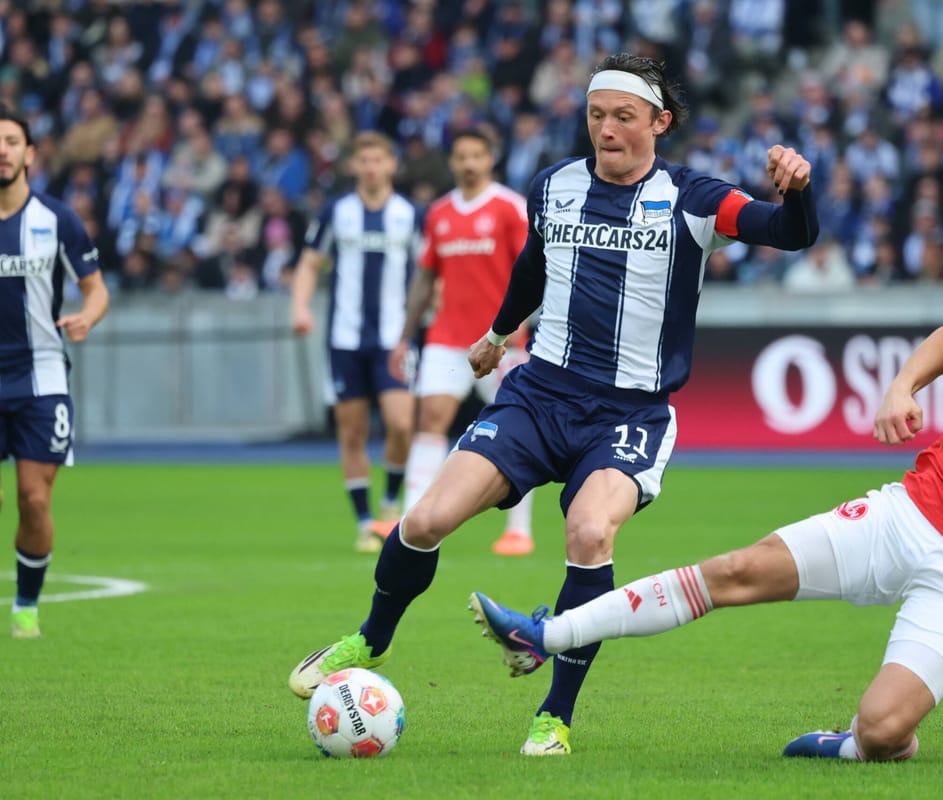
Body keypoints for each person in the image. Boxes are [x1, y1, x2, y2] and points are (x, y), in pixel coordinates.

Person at [468, 222, 943, 762]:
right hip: (907, 513)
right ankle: (545, 633)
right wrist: (902, 387)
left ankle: (857, 744)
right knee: (739, 570)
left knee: (880, 733)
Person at [287, 52, 820, 755]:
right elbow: (535, 267)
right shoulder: (554, 186)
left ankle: (554, 717)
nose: (606, 129)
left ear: (659, 122)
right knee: (425, 518)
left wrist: (797, 191)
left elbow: (790, 233)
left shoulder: (694, 199)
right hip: (538, 395)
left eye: (623, 117)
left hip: (629, 414)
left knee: (591, 535)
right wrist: (498, 333)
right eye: (597, 115)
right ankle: (372, 638)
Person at [389, 128, 537, 557]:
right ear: (452, 162)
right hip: (447, 338)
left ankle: (518, 529)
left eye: (476, 155)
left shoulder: (510, 208)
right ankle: (411, 517)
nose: (469, 163)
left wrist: (516, 330)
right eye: (461, 155)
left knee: (518, 430)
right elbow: (425, 278)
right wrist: (404, 336)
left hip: (501, 341)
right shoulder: (438, 213)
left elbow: (533, 271)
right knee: (431, 419)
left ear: (490, 158)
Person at [0, 107, 110, 639]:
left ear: (29, 154)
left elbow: (96, 287)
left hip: (42, 376)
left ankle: (25, 605)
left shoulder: (56, 218)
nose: (2, 150)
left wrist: (86, 318)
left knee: (34, 498)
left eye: (11, 140)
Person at [291, 131, 419, 554]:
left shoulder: (409, 215)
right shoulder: (337, 212)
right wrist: (300, 306)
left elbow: (428, 270)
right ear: (353, 166)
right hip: (345, 338)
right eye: (363, 160)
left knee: (401, 424)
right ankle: (366, 522)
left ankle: (389, 502)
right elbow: (310, 263)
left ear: (391, 165)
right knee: (353, 431)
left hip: (394, 339)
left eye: (377, 160)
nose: (370, 168)